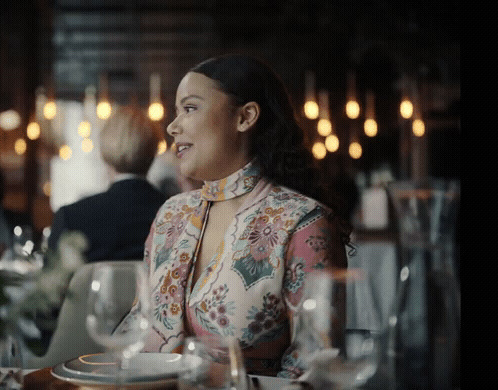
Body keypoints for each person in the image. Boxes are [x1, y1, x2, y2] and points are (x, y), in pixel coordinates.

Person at [128, 54, 352, 378]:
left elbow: (316, 369)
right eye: (177, 112)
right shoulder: (170, 215)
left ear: (245, 117)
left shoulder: (303, 223)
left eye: (189, 108)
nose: (172, 126)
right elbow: (136, 331)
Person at [48, 104, 168, 262]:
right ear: (153, 153)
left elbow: (50, 282)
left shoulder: (72, 217)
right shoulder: (176, 215)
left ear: (104, 152)